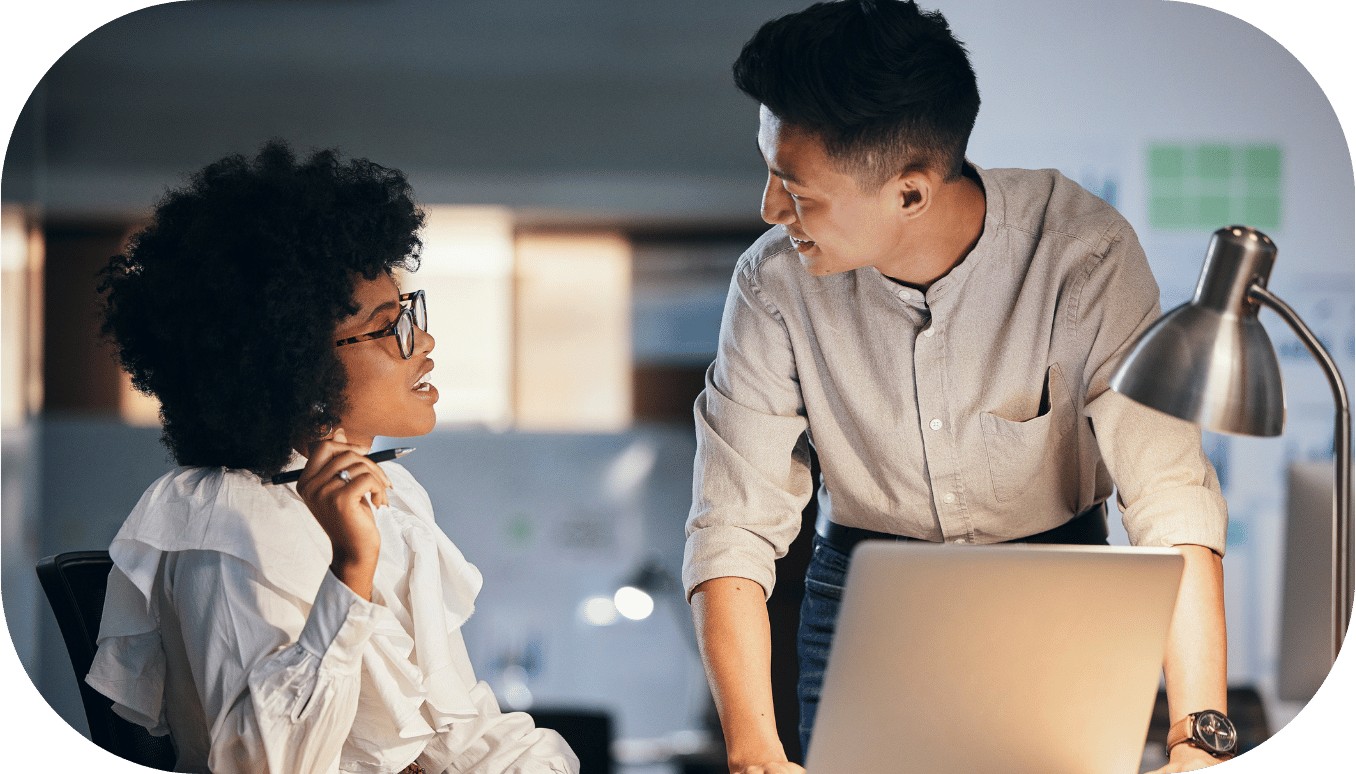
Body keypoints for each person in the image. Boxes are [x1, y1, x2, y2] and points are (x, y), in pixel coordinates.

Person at [681, 2, 1231, 773]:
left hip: (1063, 591)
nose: (770, 211)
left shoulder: (1082, 254)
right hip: (861, 599)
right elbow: (733, 526)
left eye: (795, 189)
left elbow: (1170, 496)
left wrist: (1195, 735)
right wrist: (754, 751)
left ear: (909, 194)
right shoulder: (772, 283)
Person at [86, 141, 579, 774]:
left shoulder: (393, 499)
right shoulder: (225, 516)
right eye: (387, 325)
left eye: (408, 313)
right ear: (293, 360)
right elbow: (261, 765)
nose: (422, 341)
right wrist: (350, 572)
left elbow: (461, 735)